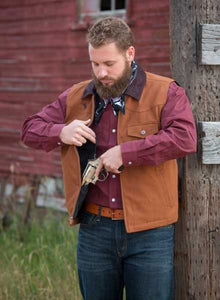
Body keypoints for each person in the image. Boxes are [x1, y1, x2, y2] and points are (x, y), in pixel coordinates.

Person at [21, 17, 197, 300]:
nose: (101, 73)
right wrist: (61, 131)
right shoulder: (76, 96)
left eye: (109, 64)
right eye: (95, 64)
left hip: (150, 231)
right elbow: (29, 129)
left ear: (130, 53)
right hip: (95, 230)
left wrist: (126, 153)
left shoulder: (166, 91)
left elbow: (185, 137)